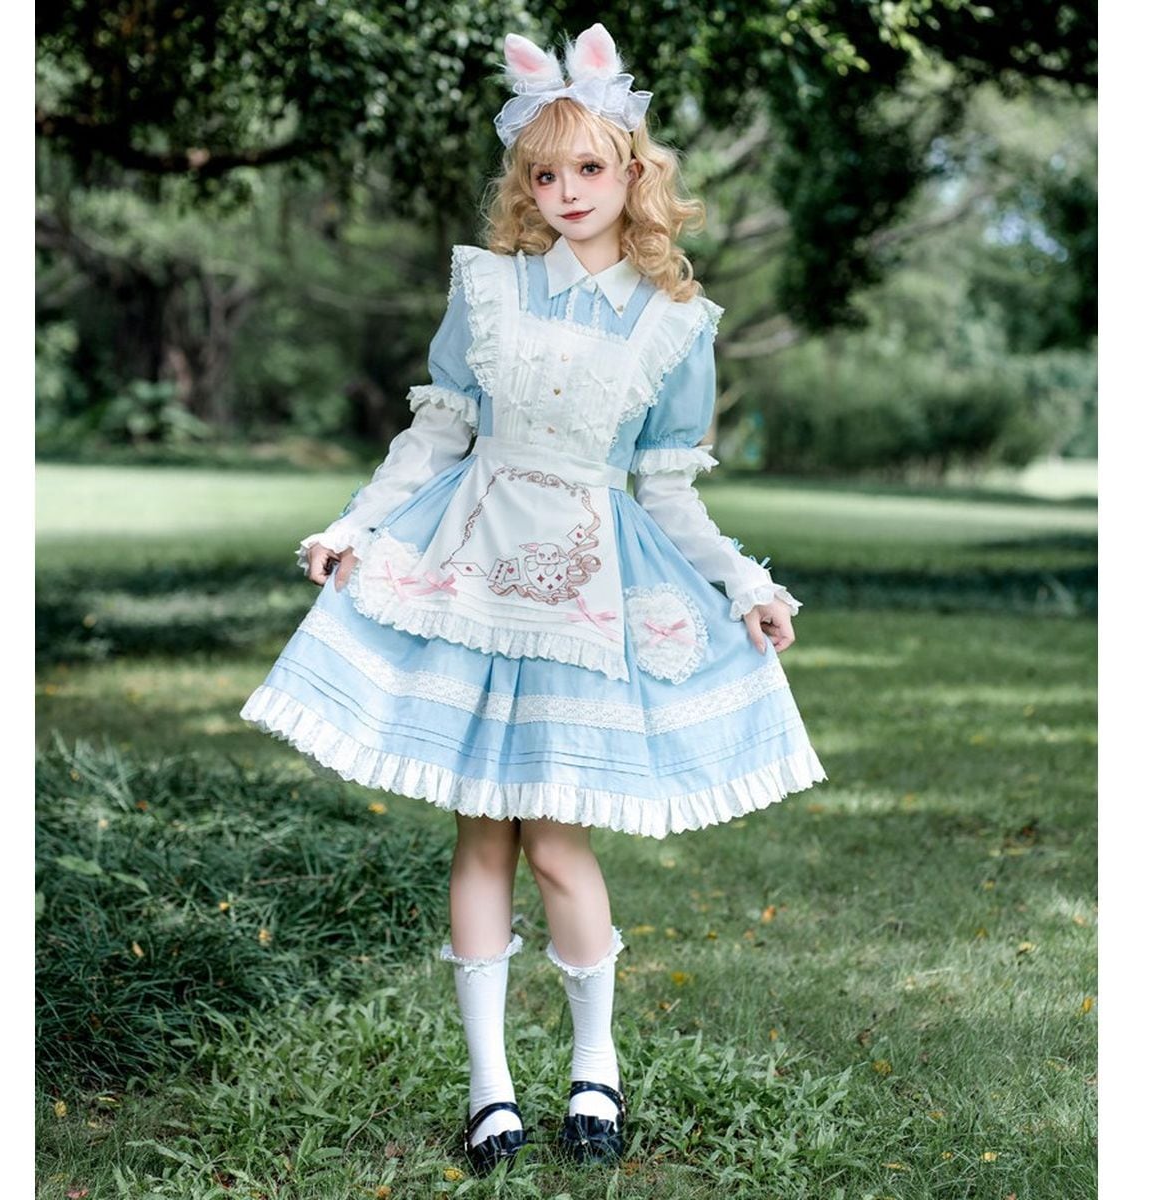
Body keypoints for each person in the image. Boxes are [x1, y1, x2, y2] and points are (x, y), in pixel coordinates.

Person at [241, 21, 828, 1176]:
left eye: (589, 168)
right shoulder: (490, 289)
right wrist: (354, 526)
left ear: (634, 171)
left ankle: (595, 1071)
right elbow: (435, 436)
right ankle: (490, 1090)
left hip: (583, 595)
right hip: (470, 569)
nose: (567, 192)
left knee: (556, 838)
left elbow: (668, 491)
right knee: (482, 830)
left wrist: (748, 583)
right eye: (544, 173)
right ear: (526, 183)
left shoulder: (675, 324)